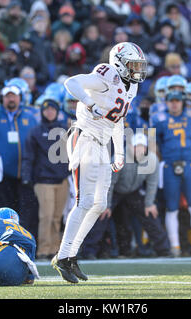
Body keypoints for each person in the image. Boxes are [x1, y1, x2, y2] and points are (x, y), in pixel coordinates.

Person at [51, 42, 147, 283]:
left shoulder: (131, 87)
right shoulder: (106, 75)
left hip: (103, 143)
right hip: (85, 138)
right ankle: (62, 257)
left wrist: (119, 153)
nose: (137, 70)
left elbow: (117, 121)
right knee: (84, 202)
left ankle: (72, 255)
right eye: (133, 65)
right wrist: (89, 103)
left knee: (100, 204)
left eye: (139, 65)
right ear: (119, 63)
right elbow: (71, 82)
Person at [84, 133, 169, 258]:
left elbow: (152, 183)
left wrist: (149, 204)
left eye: (142, 147)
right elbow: (109, 183)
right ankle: (89, 251)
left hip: (133, 191)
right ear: (130, 146)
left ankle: (163, 249)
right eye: (136, 146)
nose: (139, 150)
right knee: (101, 214)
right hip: (114, 190)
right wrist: (106, 204)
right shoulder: (118, 159)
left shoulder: (152, 160)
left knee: (150, 212)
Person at [152, 91, 191, 257]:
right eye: (171, 101)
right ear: (166, 102)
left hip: (189, 165)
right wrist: (163, 160)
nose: (174, 104)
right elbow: (153, 142)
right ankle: (175, 247)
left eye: (177, 101)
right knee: (172, 208)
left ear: (182, 102)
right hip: (170, 166)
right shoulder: (158, 119)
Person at [0, 84, 37, 226]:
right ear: (2, 99)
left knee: (25, 214)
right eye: (7, 96)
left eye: (13, 96)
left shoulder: (29, 117)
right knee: (2, 213)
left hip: (25, 175)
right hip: (2, 176)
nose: (11, 99)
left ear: (20, 98)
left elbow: (36, 141)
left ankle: (22, 243)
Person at [21, 99, 70, 260]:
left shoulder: (64, 129)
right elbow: (28, 156)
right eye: (46, 110)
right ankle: (43, 248)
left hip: (62, 179)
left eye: (52, 109)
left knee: (57, 217)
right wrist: (27, 176)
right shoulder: (35, 131)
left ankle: (56, 248)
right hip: (43, 180)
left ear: (57, 111)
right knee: (46, 216)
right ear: (42, 112)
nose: (49, 112)